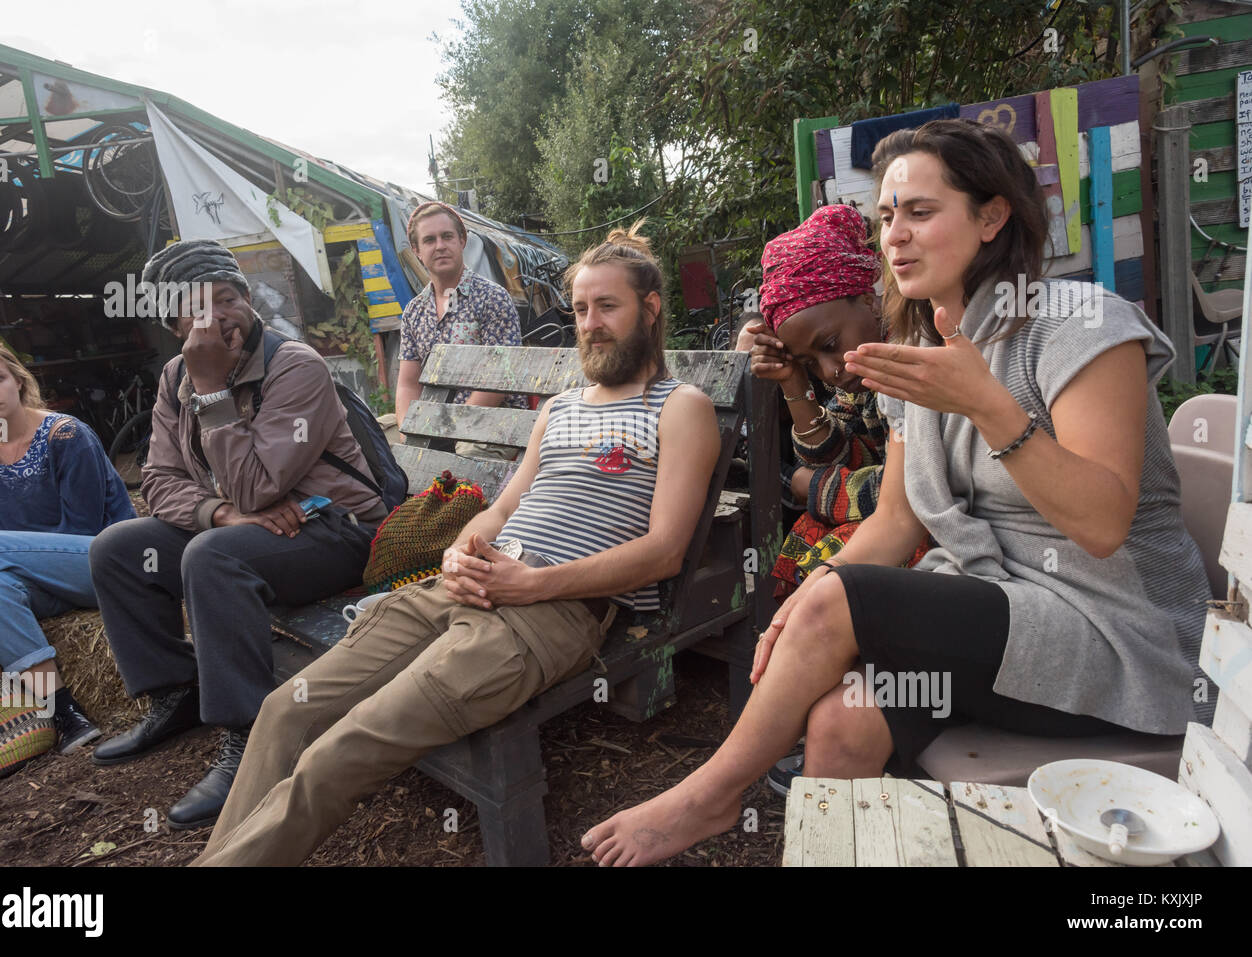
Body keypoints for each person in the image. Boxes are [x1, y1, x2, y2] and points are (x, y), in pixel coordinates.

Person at [581, 118, 1209, 866]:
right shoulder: (920, 352)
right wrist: (807, 600)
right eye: (885, 217)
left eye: (919, 211)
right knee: (842, 722)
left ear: (990, 216)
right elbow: (897, 519)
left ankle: (714, 793)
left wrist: (988, 405)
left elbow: (1103, 523)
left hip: (1117, 637)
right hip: (1004, 615)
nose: (895, 236)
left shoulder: (1082, 327)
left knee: (837, 602)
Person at [190, 222, 720, 866]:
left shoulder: (679, 406)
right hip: (466, 587)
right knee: (283, 711)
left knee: (346, 744)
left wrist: (531, 584)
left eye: (607, 306)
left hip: (551, 612)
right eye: (581, 308)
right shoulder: (560, 409)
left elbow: (664, 551)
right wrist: (458, 552)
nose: (590, 323)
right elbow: (498, 510)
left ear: (651, 308)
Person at [88, 240, 388, 830]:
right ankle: (175, 692)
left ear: (250, 300)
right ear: (175, 325)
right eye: (198, 309)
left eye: (229, 299)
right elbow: (157, 480)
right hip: (254, 530)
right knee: (120, 548)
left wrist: (212, 391)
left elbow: (256, 485)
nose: (218, 317)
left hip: (340, 531)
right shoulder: (176, 376)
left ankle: (251, 737)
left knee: (213, 559)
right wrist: (223, 514)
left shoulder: (294, 365)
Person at [0, 336, 135, 753]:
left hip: (106, 563)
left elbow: (82, 531)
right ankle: (65, 714)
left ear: (18, 380)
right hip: (38, 578)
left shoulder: (67, 435)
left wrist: (2, 553)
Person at [738, 204, 928, 603]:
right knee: (807, 537)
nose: (831, 370)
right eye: (810, 362)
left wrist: (815, 487)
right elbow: (842, 459)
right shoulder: (861, 375)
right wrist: (794, 381)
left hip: (936, 533)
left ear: (867, 299)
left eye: (828, 346)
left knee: (832, 553)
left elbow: (913, 491)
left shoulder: (915, 360)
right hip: (895, 524)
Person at [394, 201, 526, 457]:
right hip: (436, 425)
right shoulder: (414, 312)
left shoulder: (492, 298)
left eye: (447, 237)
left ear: (462, 241)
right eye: (429, 240)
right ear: (417, 250)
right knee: (374, 442)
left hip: (493, 423)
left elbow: (496, 383)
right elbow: (408, 384)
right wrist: (409, 431)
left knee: (463, 462)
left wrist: (450, 432)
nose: (440, 246)